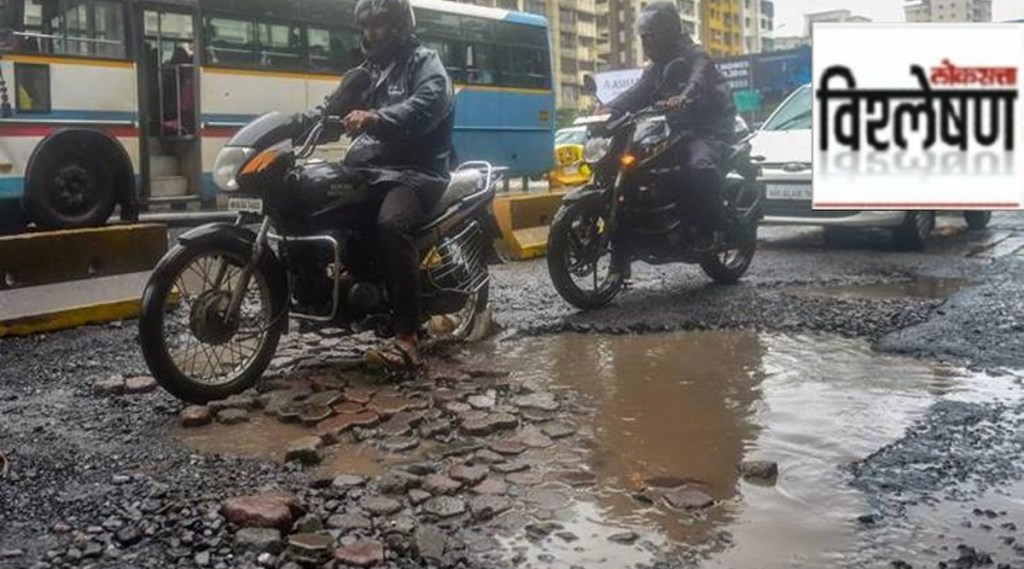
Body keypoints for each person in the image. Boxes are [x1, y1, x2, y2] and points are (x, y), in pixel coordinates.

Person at [331, 0, 455, 370]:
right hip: (374, 171)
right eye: (366, 26)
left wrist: (376, 116)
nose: (371, 33)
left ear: (398, 24)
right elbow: (332, 105)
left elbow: (429, 103)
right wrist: (295, 124)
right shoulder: (368, 71)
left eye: (379, 24)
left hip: (417, 173)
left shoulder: (424, 61)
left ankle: (407, 336)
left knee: (391, 224)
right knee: (332, 206)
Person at [602, 0, 736, 255]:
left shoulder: (696, 55)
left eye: (649, 38)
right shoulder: (655, 67)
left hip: (707, 128)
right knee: (640, 163)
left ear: (666, 34)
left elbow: (697, 79)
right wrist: (609, 108)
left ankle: (711, 230)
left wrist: (685, 96)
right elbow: (636, 93)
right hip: (675, 128)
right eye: (643, 38)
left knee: (698, 166)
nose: (646, 44)